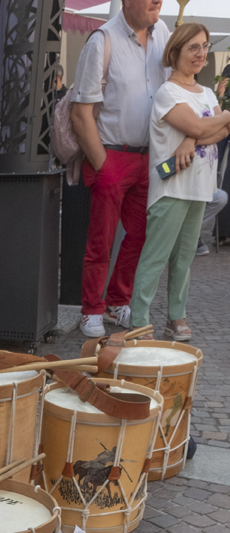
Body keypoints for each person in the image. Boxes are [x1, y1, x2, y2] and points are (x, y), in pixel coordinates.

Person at [70, 0, 173, 338]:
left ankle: (117, 301)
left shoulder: (164, 35)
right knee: (102, 238)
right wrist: (103, 165)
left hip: (149, 158)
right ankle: (91, 309)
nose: (158, 1)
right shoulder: (102, 39)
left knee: (142, 235)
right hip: (112, 154)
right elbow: (80, 111)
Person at [129, 24, 230, 341]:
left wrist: (191, 138)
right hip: (171, 188)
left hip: (199, 188)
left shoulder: (208, 92)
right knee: (156, 258)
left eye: (204, 46)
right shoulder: (167, 92)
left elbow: (220, 131)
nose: (201, 54)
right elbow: (206, 127)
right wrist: (205, 128)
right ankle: (139, 322)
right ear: (175, 52)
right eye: (193, 48)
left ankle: (176, 318)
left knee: (184, 260)